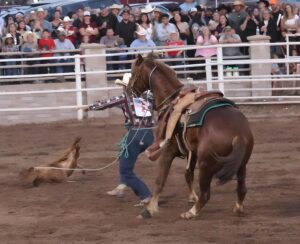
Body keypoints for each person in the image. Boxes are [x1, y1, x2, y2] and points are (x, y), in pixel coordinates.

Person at [88, 73, 154, 206]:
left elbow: (107, 103)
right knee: (124, 155)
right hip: (149, 135)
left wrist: (90, 107)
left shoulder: (125, 97)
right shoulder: (148, 97)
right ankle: (121, 186)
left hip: (135, 135)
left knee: (126, 169)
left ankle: (145, 195)